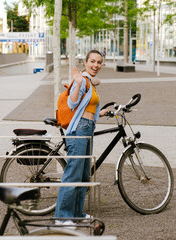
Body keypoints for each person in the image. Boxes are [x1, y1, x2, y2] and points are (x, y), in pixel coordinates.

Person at [54, 49, 108, 227]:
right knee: (73, 173)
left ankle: (77, 213)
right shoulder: (83, 81)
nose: (96, 65)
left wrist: (103, 112)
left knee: (84, 174)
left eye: (99, 62)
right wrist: (77, 84)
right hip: (79, 130)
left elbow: (89, 108)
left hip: (88, 128)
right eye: (92, 61)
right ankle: (62, 217)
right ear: (85, 62)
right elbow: (72, 103)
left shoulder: (90, 82)